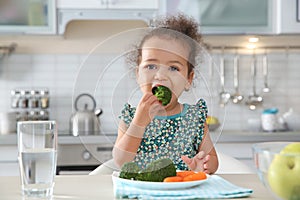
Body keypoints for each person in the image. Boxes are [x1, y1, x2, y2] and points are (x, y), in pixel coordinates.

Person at [112, 13, 219, 174]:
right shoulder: (131, 116)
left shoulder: (195, 117)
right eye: (151, 66)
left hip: (183, 193)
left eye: (173, 68)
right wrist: (139, 123)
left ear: (188, 79)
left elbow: (212, 161)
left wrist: (201, 166)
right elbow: (121, 161)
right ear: (138, 74)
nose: (161, 75)